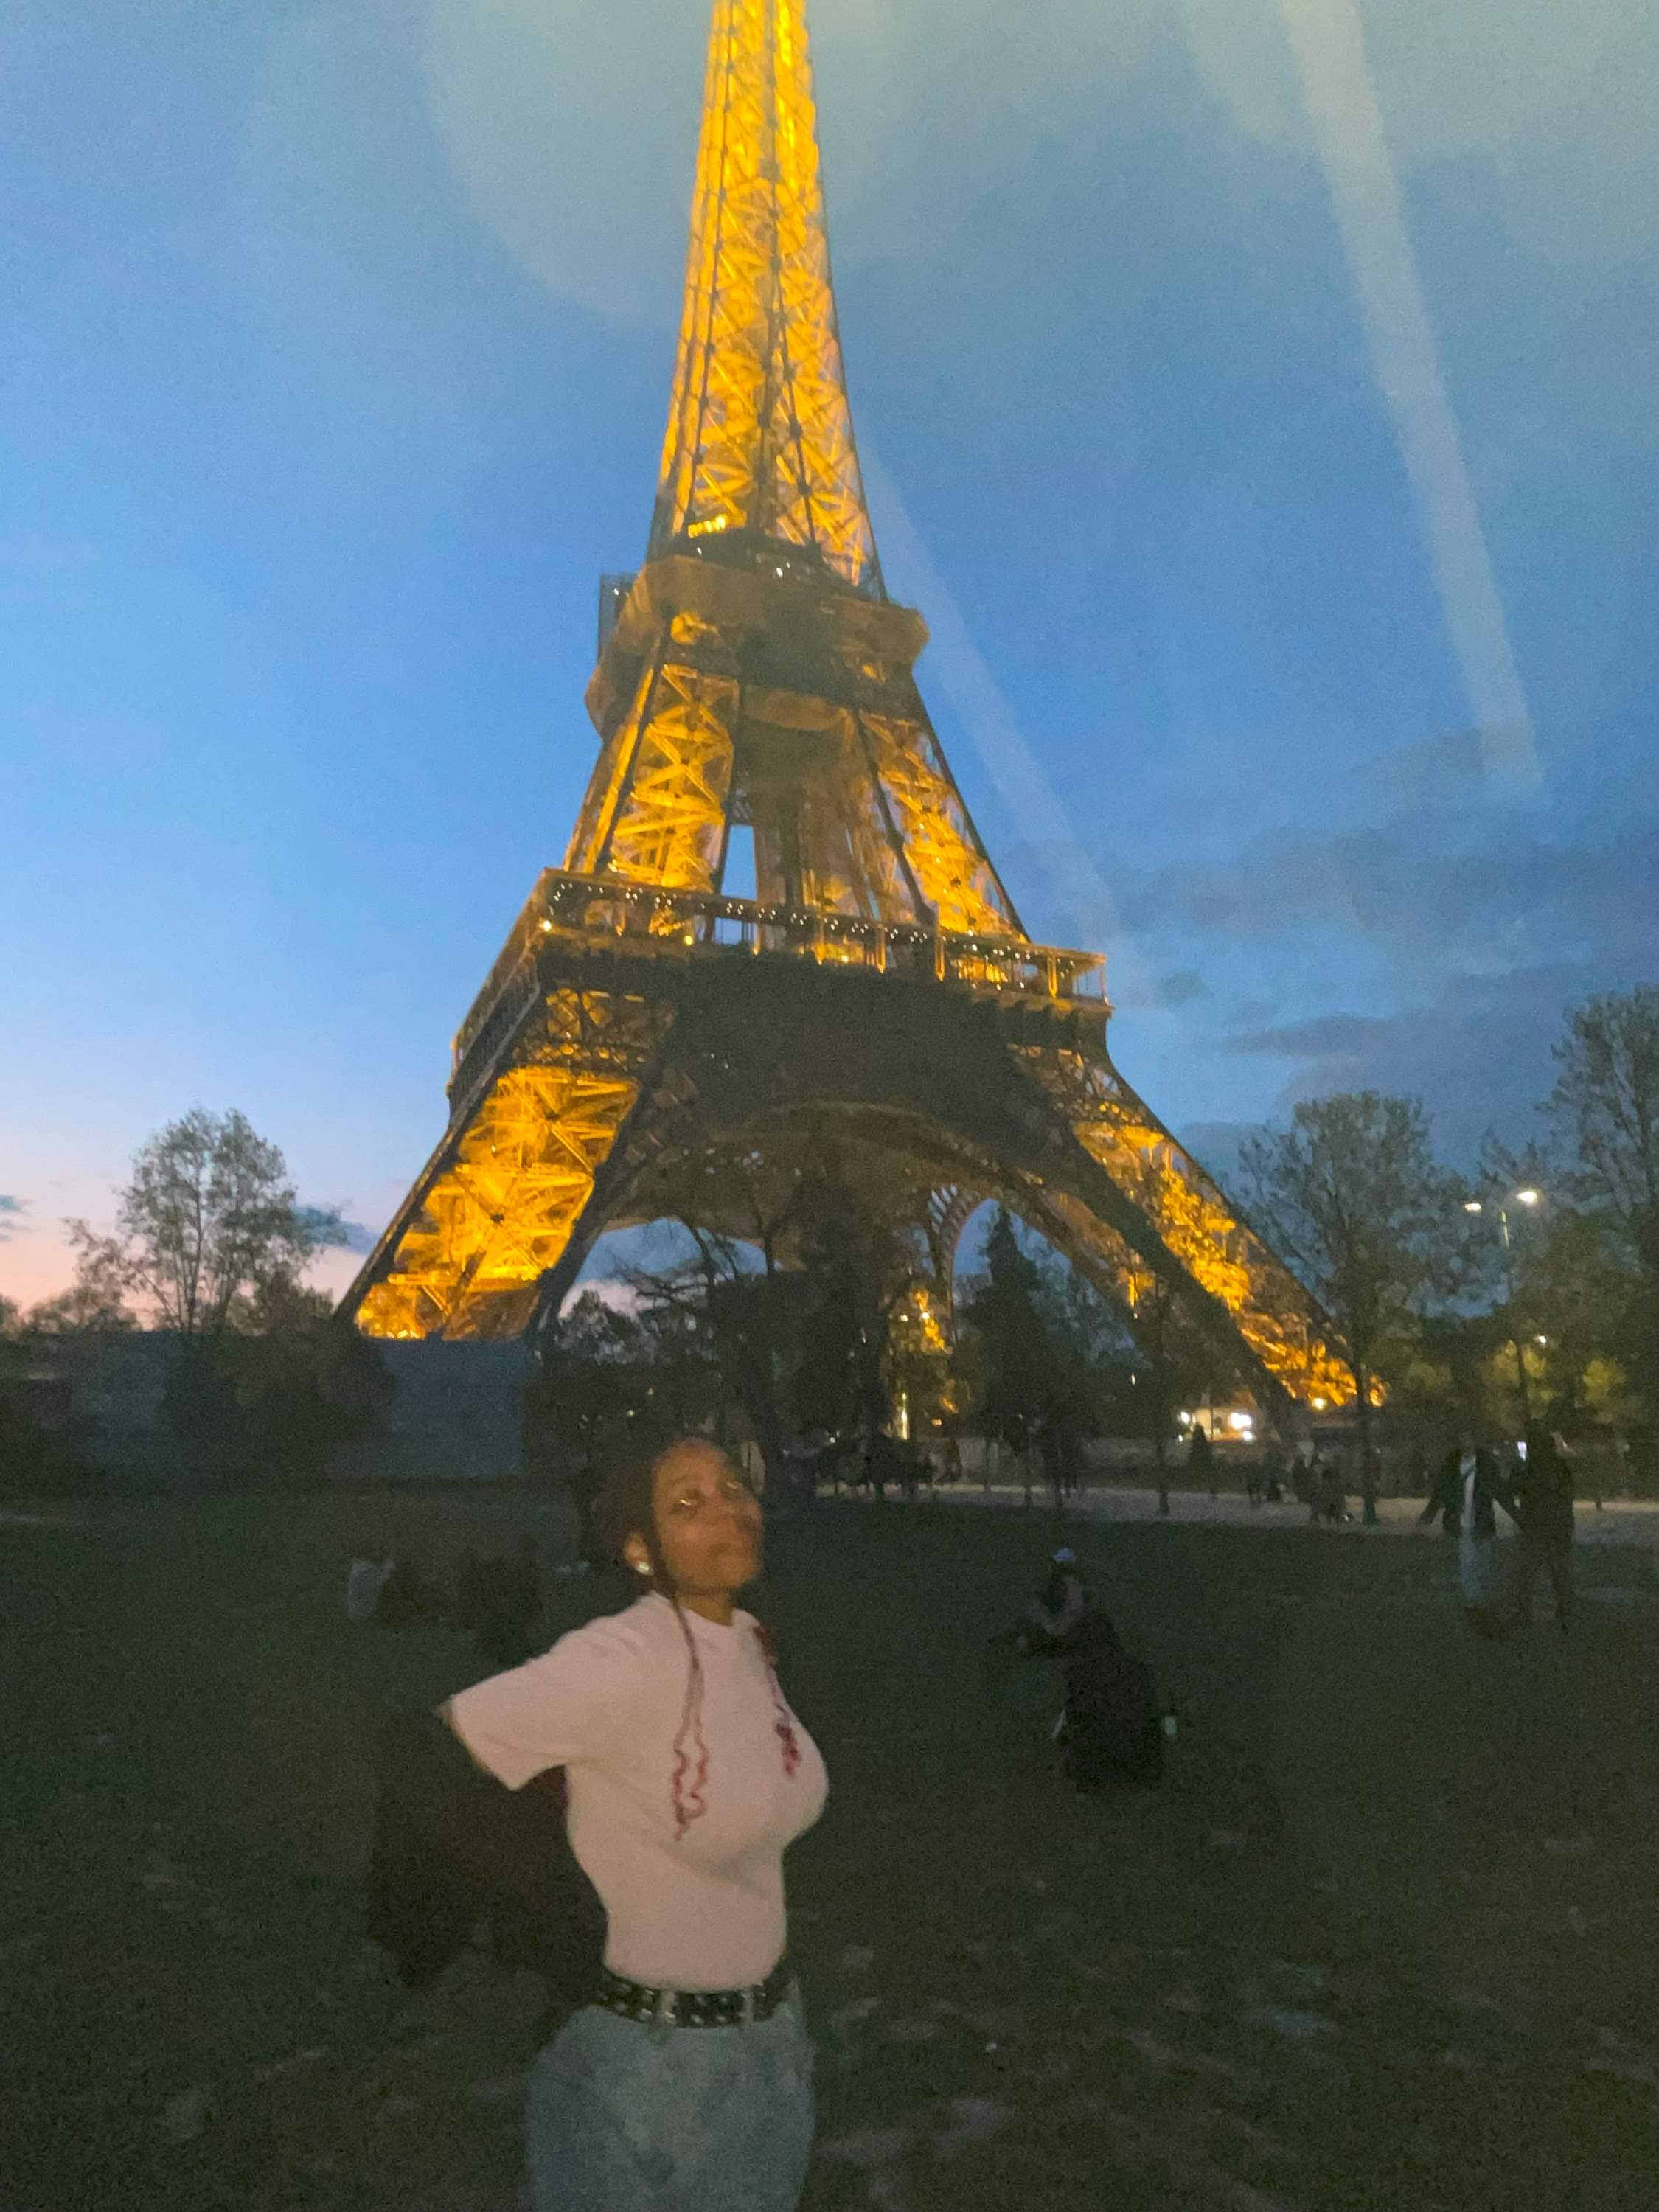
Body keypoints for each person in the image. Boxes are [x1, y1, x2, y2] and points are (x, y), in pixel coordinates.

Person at [443, 1436, 827, 2212]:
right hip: (643, 2070)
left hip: (770, 2046)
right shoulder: (621, 1656)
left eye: (733, 1487)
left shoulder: (748, 1640)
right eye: (689, 1503)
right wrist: (539, 1903)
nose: (728, 1508)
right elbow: (447, 1744)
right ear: (638, 1549)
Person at [1059, 1612, 1166, 1794]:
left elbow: (1074, 1715)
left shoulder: (1081, 1675)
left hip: (1116, 1751)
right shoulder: (1136, 1670)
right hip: (1131, 1754)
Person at [1511, 1427, 1575, 1632]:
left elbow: (1517, 1488)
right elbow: (1566, 1499)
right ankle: (1564, 1611)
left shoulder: (1531, 1468)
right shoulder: (1560, 1468)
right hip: (1556, 1528)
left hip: (1536, 1528)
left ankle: (1524, 1612)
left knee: (1527, 1573)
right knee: (1558, 1573)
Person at [1018, 1547, 1088, 1656]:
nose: (1050, 1568)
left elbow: (1071, 1614)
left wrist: (1052, 1626)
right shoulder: (1062, 1584)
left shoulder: (1069, 1586)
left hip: (1063, 1633)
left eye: (1055, 1564)